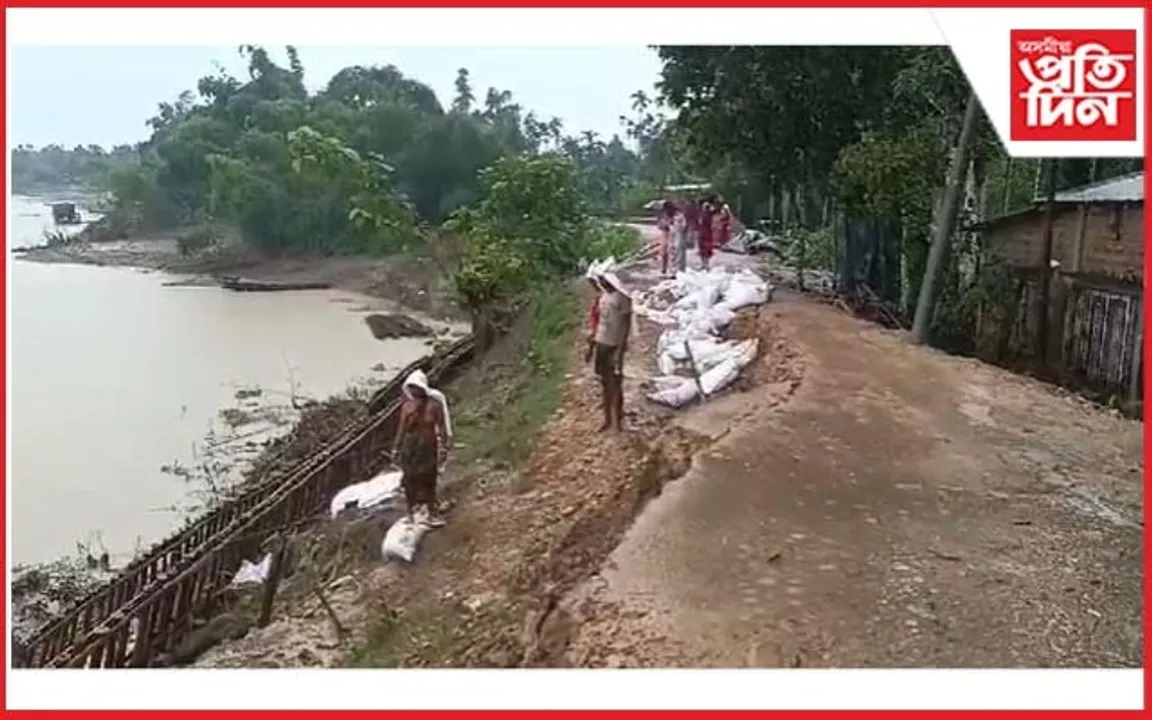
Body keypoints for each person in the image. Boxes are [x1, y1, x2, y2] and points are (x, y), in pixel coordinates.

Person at [391, 370, 452, 528]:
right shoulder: (407, 407)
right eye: (411, 388)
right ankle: (412, 512)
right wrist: (396, 448)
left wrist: (444, 446)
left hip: (427, 446)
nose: (413, 391)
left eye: (416, 387)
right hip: (410, 448)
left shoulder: (434, 405)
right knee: (410, 478)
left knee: (428, 478)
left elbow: (442, 427)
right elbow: (402, 429)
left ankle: (430, 511)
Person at [591, 272, 633, 432]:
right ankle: (607, 420)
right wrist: (593, 342)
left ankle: (618, 422)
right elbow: (600, 322)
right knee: (604, 383)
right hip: (602, 343)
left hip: (614, 345)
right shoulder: (603, 297)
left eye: (603, 280)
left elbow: (626, 325)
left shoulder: (622, 299)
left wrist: (620, 350)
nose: (601, 282)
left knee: (616, 384)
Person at [667, 202, 688, 275]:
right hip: (671, 235)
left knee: (679, 253)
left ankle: (679, 271)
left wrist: (679, 226)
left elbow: (684, 225)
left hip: (678, 234)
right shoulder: (669, 217)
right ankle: (672, 271)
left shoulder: (680, 216)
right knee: (671, 252)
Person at [697, 196, 716, 270]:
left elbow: (713, 211)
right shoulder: (702, 213)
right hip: (702, 232)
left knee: (707, 248)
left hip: (707, 232)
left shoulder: (708, 214)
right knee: (702, 247)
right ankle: (703, 264)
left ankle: (706, 264)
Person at [655, 203, 673, 277]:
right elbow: (659, 226)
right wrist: (664, 224)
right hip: (665, 235)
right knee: (664, 253)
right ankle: (664, 269)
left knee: (669, 253)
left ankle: (669, 269)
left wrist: (668, 224)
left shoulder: (672, 216)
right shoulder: (662, 216)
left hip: (670, 235)